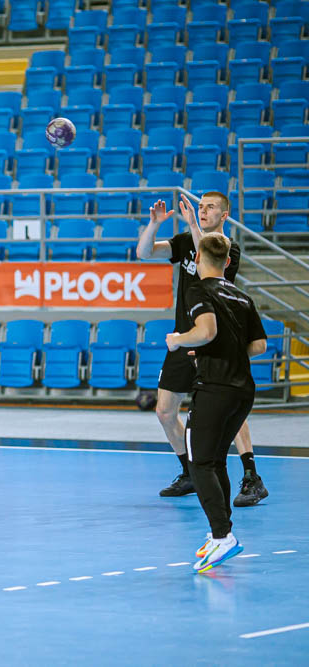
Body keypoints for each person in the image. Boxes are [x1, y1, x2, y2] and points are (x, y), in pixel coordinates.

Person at [137, 192, 268, 506]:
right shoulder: (186, 240)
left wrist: (195, 226)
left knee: (227, 410)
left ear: (224, 215)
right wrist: (154, 224)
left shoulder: (225, 248)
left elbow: (205, 262)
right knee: (164, 411)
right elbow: (144, 252)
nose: (203, 211)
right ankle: (189, 473)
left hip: (214, 341)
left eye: (210, 207)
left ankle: (251, 476)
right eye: (200, 207)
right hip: (185, 338)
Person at [165, 232, 267, 572]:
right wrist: (224, 350)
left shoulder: (198, 289)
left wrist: (179, 339)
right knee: (216, 460)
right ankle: (219, 533)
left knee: (199, 463)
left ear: (197, 259)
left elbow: (206, 331)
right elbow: (259, 346)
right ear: (228, 261)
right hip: (243, 390)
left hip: (215, 388)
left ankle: (223, 537)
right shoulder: (241, 296)